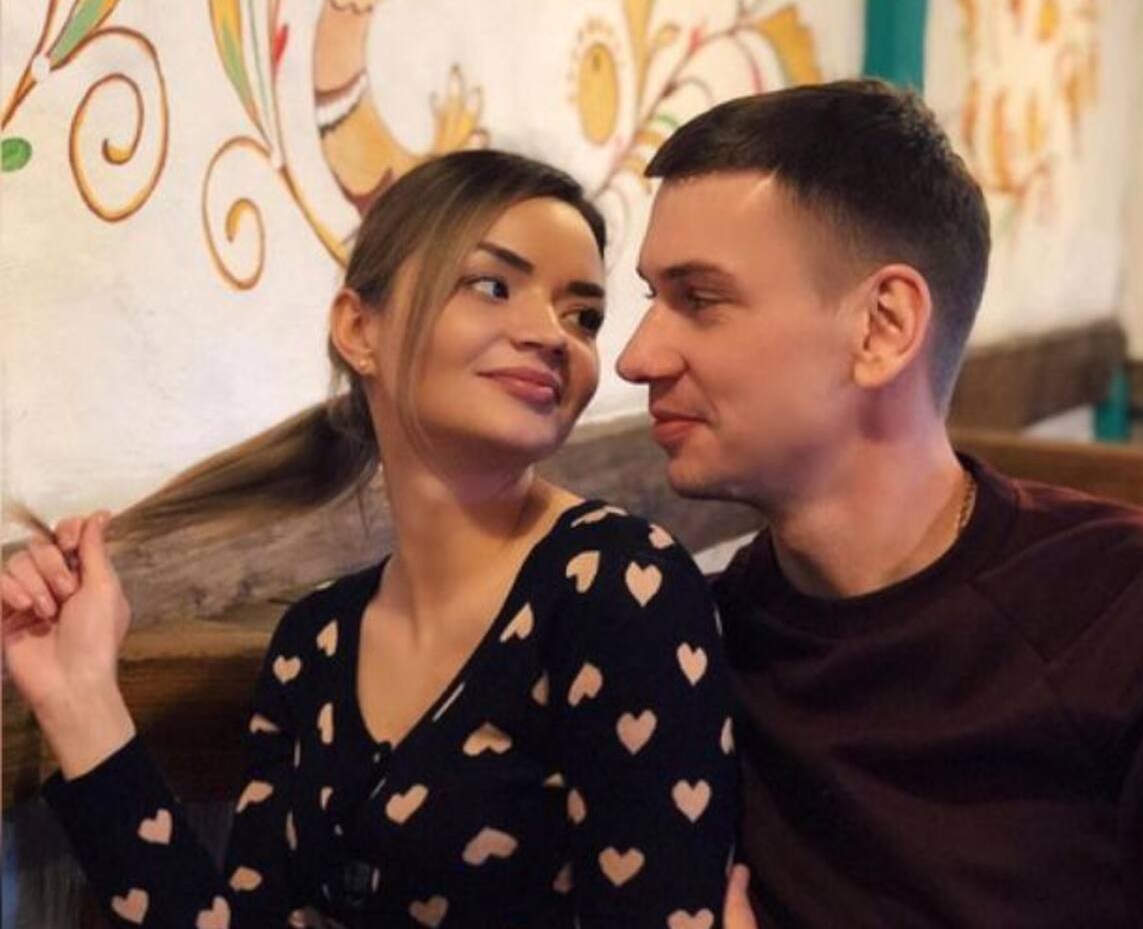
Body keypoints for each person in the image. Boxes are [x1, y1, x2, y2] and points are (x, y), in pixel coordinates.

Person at [1, 150, 738, 929]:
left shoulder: (618, 584)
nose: (551, 335)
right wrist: (78, 696)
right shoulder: (313, 640)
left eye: (581, 315)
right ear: (360, 329)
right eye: (493, 285)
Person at [617, 80, 1143, 928]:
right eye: (651, 300)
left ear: (882, 327)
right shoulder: (692, 647)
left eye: (699, 299)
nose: (637, 357)